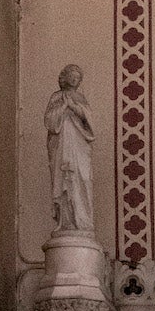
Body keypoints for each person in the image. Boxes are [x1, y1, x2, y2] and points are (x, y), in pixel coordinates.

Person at [44, 64, 95, 233]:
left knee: (82, 179)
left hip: (79, 145)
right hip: (61, 145)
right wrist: (63, 107)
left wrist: (74, 107)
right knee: (63, 180)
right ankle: (65, 222)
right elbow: (49, 122)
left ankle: (82, 220)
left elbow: (89, 122)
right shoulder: (56, 97)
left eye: (77, 77)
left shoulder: (81, 98)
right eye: (71, 76)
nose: (74, 79)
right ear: (64, 77)